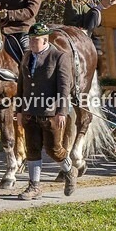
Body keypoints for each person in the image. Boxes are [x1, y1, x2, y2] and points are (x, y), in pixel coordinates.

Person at [16, 22, 75, 200]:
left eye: (36, 40)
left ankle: (70, 171)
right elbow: (21, 85)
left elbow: (65, 86)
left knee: (54, 149)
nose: (32, 44)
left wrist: (62, 111)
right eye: (31, 40)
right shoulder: (27, 56)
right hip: (29, 111)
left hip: (50, 112)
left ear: (45, 39)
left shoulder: (59, 56)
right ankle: (34, 187)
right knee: (32, 148)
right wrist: (19, 109)